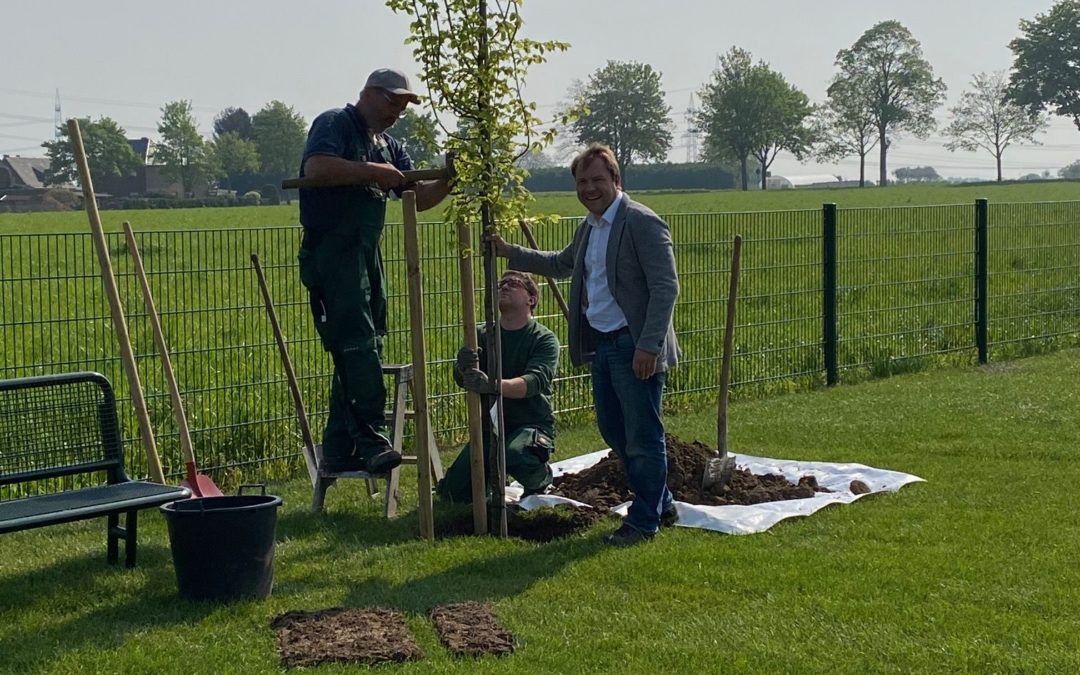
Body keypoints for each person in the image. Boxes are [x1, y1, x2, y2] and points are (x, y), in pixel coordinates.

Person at [488, 143, 680, 546]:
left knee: (643, 436)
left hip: (635, 346)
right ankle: (661, 503)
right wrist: (510, 253)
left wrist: (649, 345)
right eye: (582, 181)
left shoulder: (641, 222)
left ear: (615, 180)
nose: (589, 188)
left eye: (597, 180)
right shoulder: (590, 227)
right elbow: (561, 264)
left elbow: (666, 287)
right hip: (604, 346)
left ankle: (643, 522)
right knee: (614, 430)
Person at [298, 68, 450, 474]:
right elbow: (316, 169)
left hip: (366, 253)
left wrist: (451, 179)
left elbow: (415, 199)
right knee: (357, 345)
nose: (397, 111)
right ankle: (370, 438)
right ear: (366, 94)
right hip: (331, 251)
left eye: (403, 105)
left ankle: (337, 446)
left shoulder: (390, 145)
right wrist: (373, 172)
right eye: (391, 101)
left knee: (366, 344)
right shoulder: (335, 123)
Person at [437, 271, 559, 503]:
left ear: (531, 299)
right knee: (453, 494)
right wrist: (461, 368)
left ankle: (541, 479)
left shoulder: (543, 339)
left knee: (515, 454)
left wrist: (492, 385)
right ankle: (491, 480)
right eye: (500, 284)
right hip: (490, 428)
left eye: (513, 284)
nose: (504, 287)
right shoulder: (483, 335)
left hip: (529, 423)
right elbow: (465, 378)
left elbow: (533, 383)